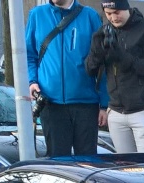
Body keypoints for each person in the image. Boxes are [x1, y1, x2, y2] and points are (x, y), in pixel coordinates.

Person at [25, 0, 108, 157]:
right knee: (57, 161)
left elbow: (103, 62)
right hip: (51, 103)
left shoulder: (90, 16)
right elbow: (29, 55)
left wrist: (104, 104)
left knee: (87, 161)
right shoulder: (37, 15)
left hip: (86, 104)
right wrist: (32, 81)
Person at [85, 0, 144, 153]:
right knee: (126, 168)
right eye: (109, 14)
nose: (114, 18)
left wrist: (123, 58)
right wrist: (96, 50)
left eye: (117, 12)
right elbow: (90, 70)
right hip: (116, 111)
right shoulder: (105, 32)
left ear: (126, 9)